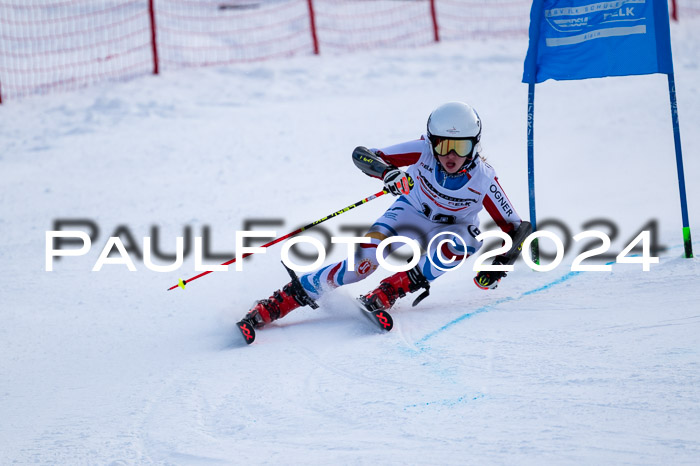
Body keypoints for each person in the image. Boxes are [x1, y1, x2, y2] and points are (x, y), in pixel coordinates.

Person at [239, 101, 524, 330]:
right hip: (410, 213)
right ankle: (280, 301)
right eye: (442, 145)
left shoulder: (483, 179)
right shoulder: (422, 150)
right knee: (359, 266)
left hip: (452, 229)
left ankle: (388, 292)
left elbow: (517, 229)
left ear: (475, 145)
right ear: (431, 141)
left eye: (460, 146)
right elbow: (362, 154)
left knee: (466, 242)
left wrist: (500, 262)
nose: (450, 155)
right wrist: (388, 173)